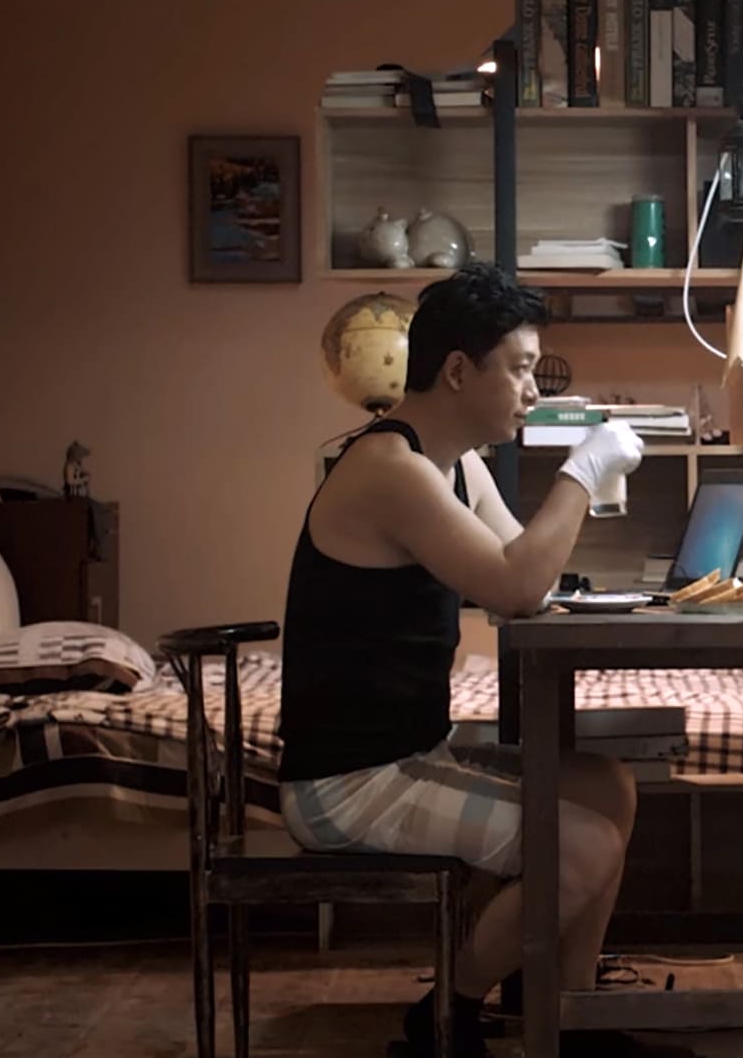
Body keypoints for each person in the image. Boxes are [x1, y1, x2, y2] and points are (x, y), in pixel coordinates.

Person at [274, 263, 673, 1058]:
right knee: (583, 845)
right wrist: (582, 471)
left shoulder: (456, 464)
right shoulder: (390, 469)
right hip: (347, 782)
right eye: (519, 369)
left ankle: (567, 1017)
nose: (531, 392)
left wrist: (575, 494)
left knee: (605, 785)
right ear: (458, 370)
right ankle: (444, 1020)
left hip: (409, 756)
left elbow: (527, 573)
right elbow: (517, 589)